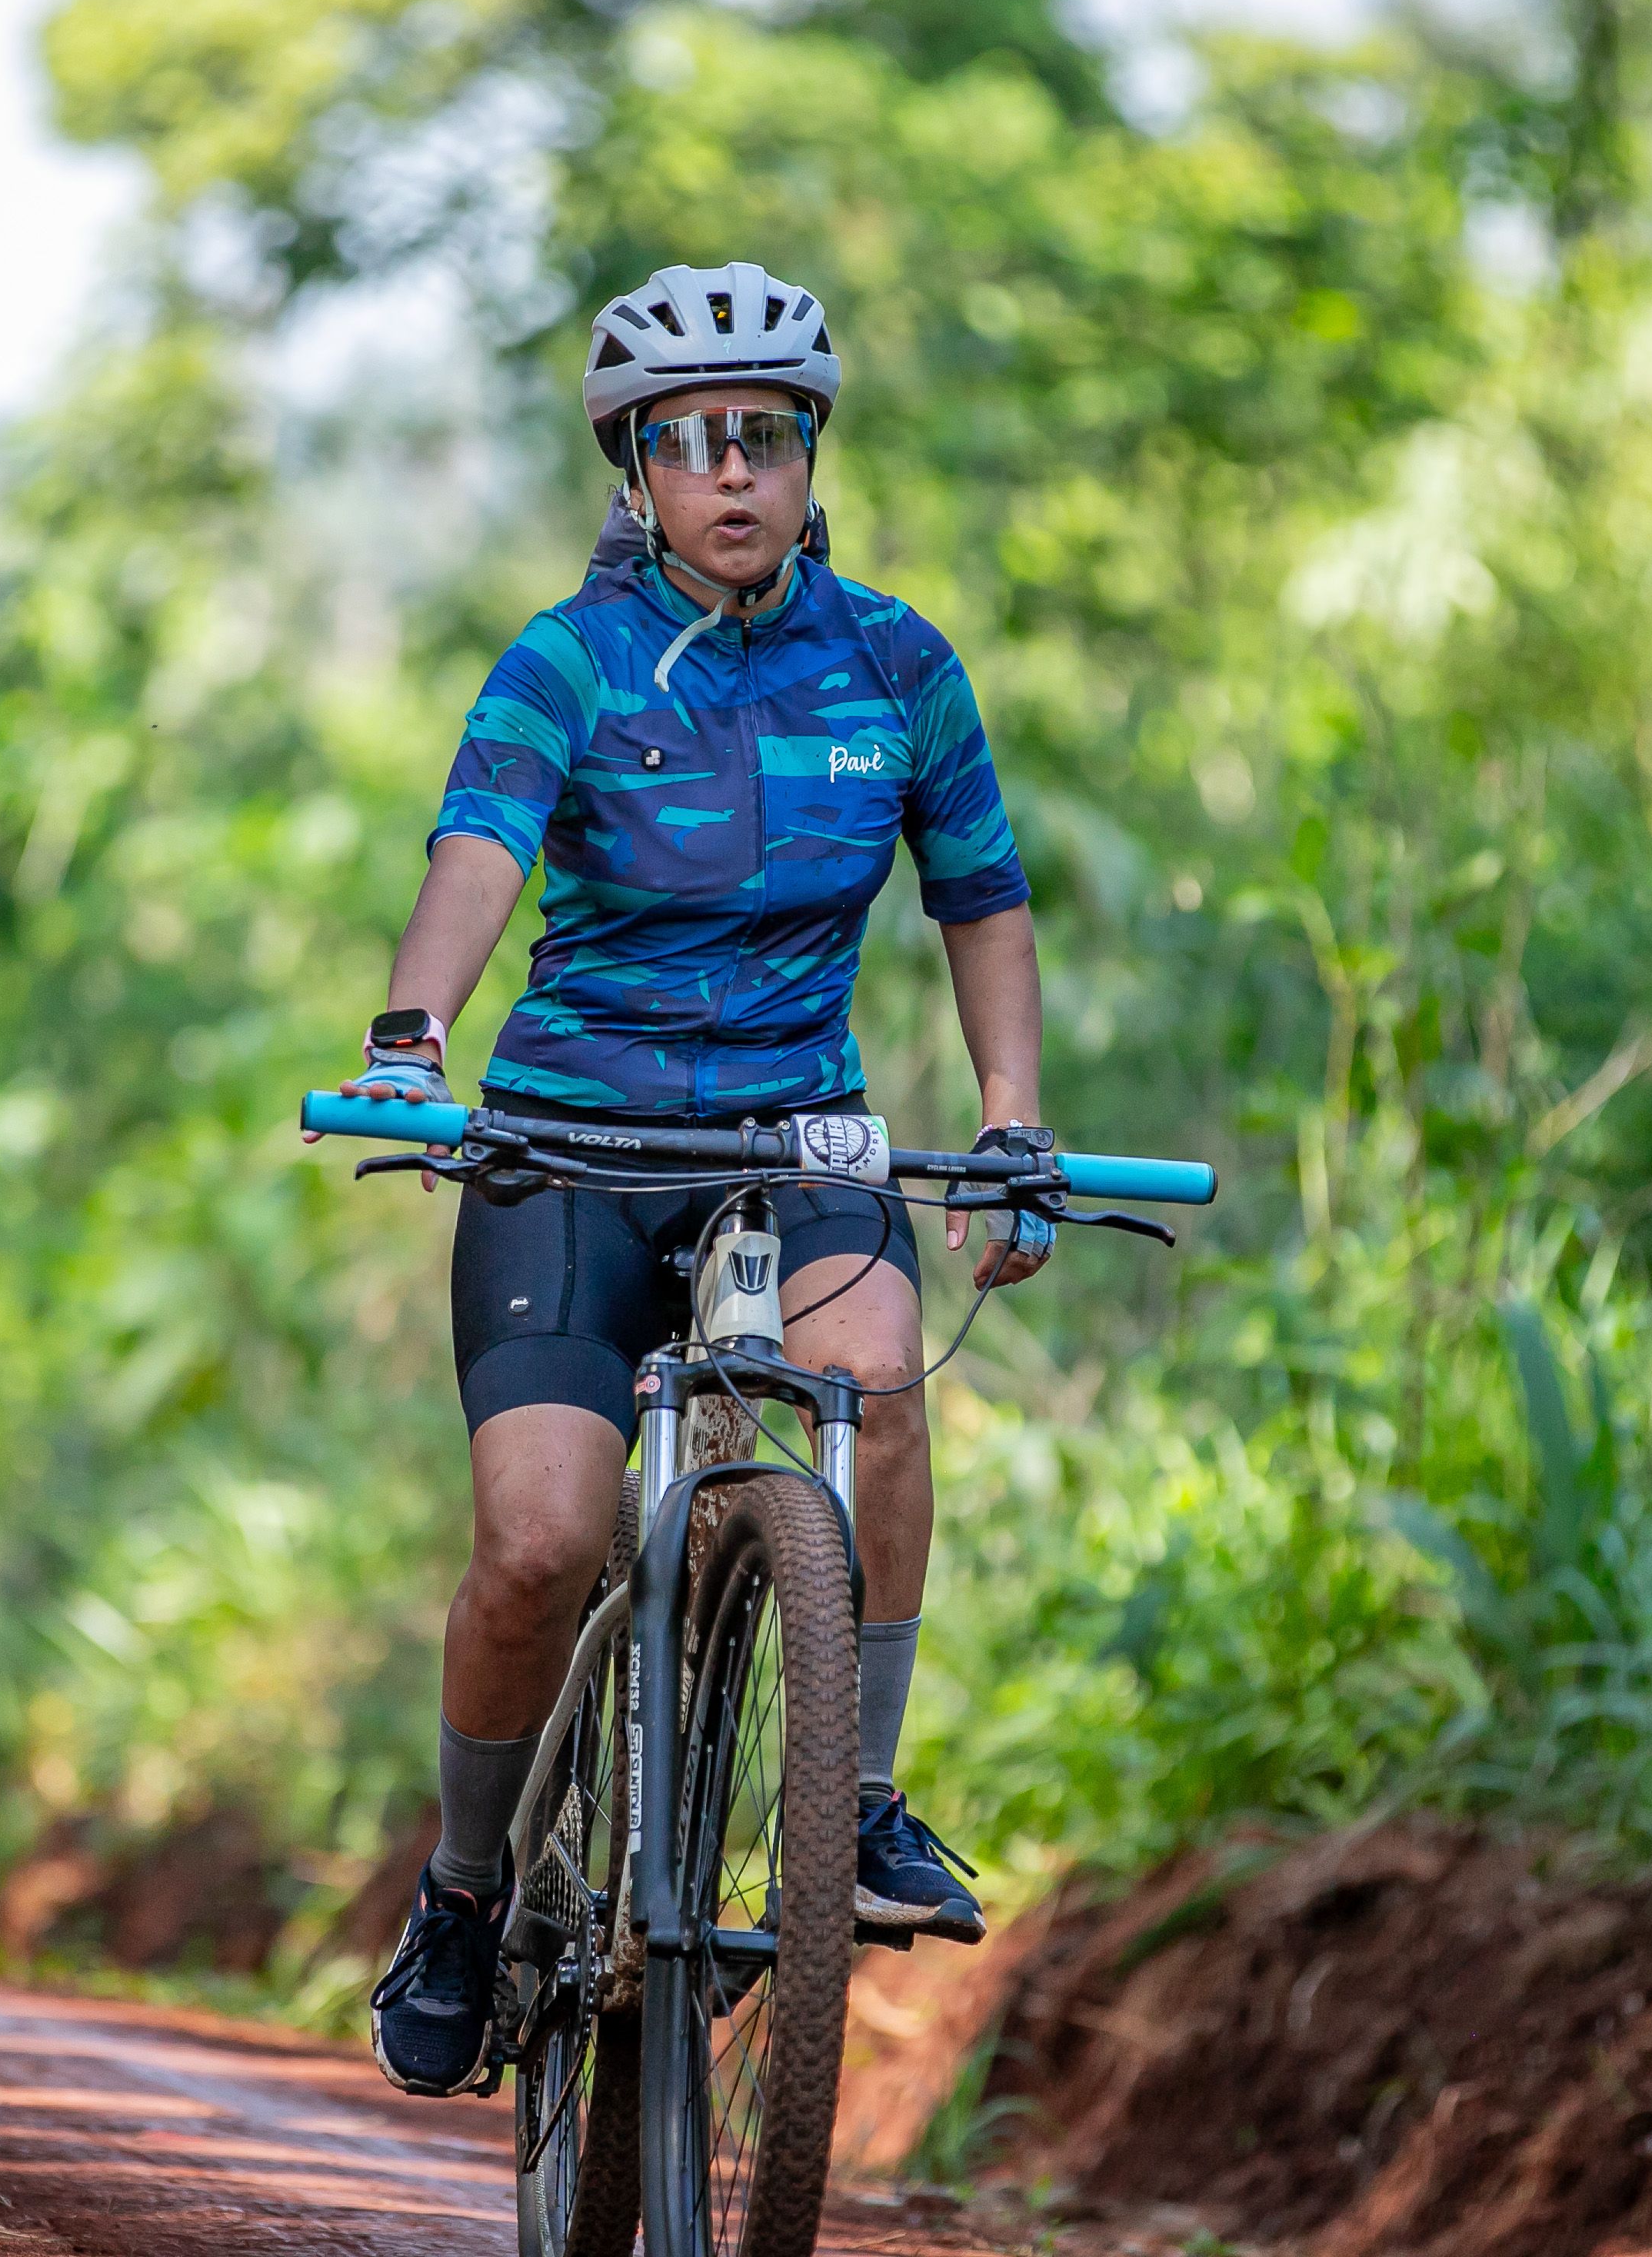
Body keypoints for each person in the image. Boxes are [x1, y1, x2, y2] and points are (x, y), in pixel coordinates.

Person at [347, 261, 1054, 2097]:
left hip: (795, 1132)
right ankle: (462, 1886)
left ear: (811, 454)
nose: (731, 471)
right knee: (537, 1540)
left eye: (765, 434)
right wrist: (413, 1037)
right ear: (635, 470)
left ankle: (859, 1801)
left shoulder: (896, 661)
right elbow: (479, 847)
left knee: (878, 1386)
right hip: (569, 1144)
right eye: (688, 441)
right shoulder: (567, 660)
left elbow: (981, 896)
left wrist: (1010, 1123)